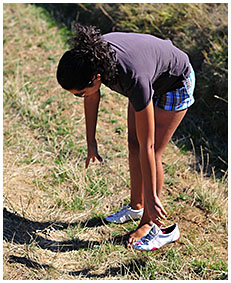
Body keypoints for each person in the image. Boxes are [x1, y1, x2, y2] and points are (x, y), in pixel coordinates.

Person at [56, 24, 195, 248]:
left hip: (174, 83)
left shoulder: (132, 77)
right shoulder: (95, 59)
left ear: (96, 78)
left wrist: (152, 196)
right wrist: (91, 142)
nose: (79, 97)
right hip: (150, 77)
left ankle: (150, 221)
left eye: (79, 93)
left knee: (151, 150)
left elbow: (148, 147)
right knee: (133, 145)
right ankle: (136, 206)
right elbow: (91, 97)